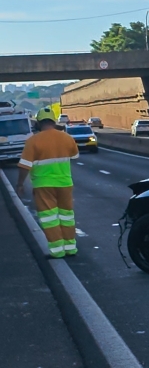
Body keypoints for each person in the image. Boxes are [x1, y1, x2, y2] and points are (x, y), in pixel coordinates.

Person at [16, 108, 80, 259]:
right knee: (67, 216)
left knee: (49, 218)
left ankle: (57, 251)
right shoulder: (66, 138)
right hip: (65, 183)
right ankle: (70, 248)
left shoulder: (33, 141)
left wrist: (20, 184)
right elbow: (75, 155)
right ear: (53, 121)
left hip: (43, 185)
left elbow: (24, 165)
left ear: (38, 123)